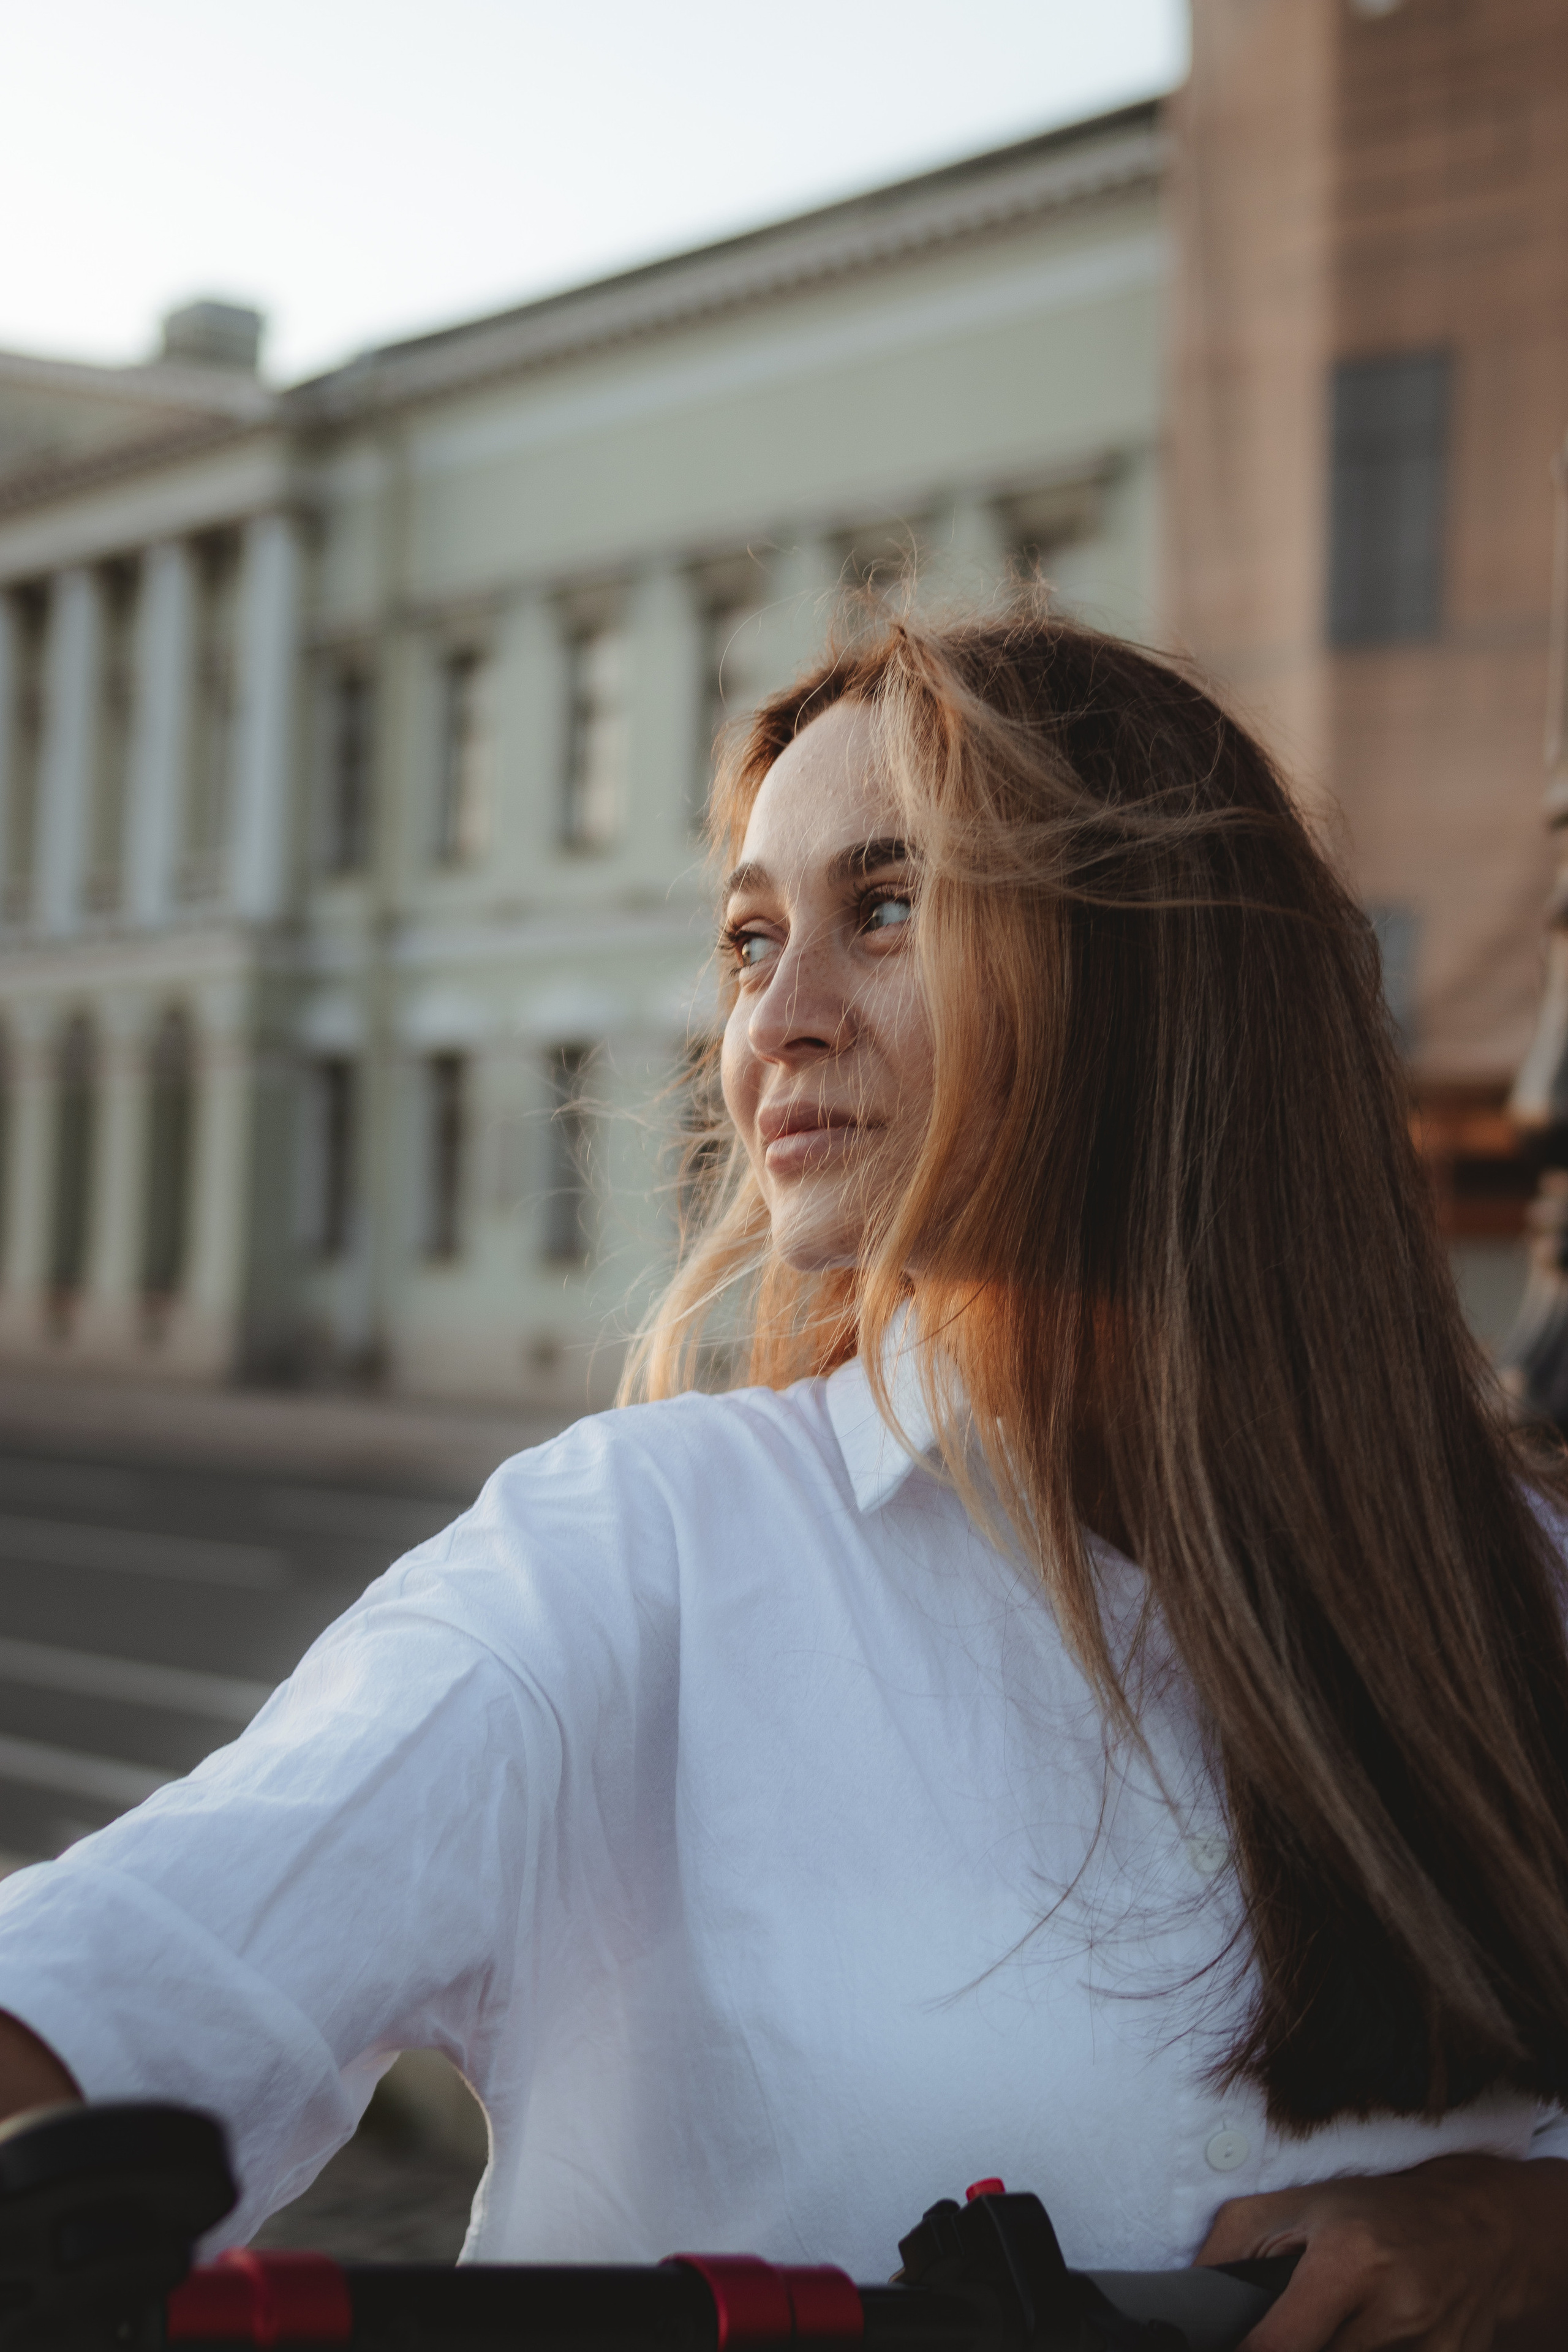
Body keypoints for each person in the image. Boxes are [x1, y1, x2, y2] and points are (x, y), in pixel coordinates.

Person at [1, 612, 1567, 2352]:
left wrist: (1531, 2226)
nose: (778, 1022)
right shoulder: (639, 1551)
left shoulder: (1528, 1587)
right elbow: (118, 1981)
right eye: (753, 941)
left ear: (1161, 971)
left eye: (885, 909)